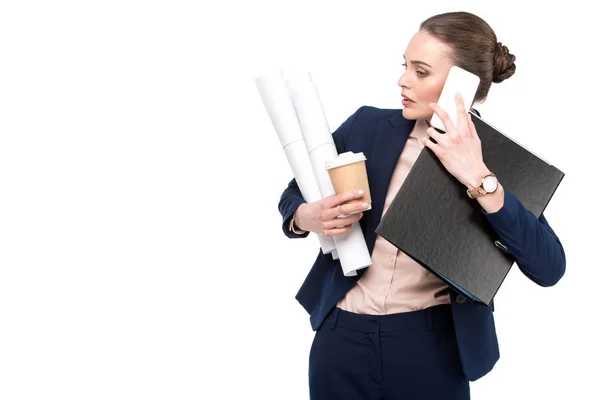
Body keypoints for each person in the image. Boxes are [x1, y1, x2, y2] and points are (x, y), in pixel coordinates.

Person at [277, 11, 566, 400]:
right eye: (405, 66)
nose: (402, 80)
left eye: (421, 72)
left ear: (463, 84)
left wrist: (480, 179)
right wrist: (304, 216)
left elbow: (549, 267)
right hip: (341, 338)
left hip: (431, 347)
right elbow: (294, 192)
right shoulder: (368, 126)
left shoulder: (495, 161)